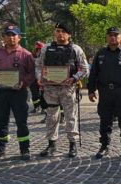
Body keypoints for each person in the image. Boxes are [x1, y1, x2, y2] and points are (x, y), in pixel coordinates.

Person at [87, 27, 121, 160]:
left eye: (116, 35)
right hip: (105, 92)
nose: (113, 37)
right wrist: (91, 90)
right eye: (110, 35)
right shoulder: (100, 53)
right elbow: (93, 73)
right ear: (107, 37)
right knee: (105, 121)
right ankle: (104, 145)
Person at [37, 23, 89, 158]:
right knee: (51, 116)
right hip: (50, 90)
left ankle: (73, 145)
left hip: (68, 89)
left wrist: (74, 78)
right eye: (57, 31)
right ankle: (51, 144)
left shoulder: (76, 49)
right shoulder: (46, 49)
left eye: (63, 31)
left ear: (69, 34)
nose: (60, 34)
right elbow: (39, 66)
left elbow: (85, 69)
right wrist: (39, 78)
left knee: (70, 116)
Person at [0, 25, 35, 161]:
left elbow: (32, 73)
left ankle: (25, 149)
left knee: (21, 122)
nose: (11, 37)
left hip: (19, 93)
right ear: (3, 37)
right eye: (8, 35)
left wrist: (23, 83)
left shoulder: (26, 54)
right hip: (0, 92)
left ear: (19, 37)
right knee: (1, 121)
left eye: (14, 35)